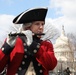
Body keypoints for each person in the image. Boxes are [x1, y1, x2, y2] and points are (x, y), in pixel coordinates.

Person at [0, 7, 57, 75]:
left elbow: (51, 65)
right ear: (28, 27)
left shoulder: (46, 45)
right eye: (37, 24)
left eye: (42, 24)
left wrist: (34, 46)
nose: (41, 27)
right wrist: (7, 47)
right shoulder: (15, 42)